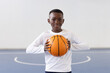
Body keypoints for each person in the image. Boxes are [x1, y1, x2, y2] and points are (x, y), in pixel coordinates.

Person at [26, 9, 90, 73]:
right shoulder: (45, 35)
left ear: (63, 21)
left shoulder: (69, 34)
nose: (56, 22)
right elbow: (28, 49)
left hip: (66, 70)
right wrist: (43, 48)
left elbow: (86, 46)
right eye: (53, 19)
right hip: (50, 70)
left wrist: (71, 46)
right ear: (49, 20)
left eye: (59, 19)